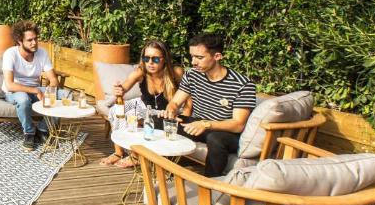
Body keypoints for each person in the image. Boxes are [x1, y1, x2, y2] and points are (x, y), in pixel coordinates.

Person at [164, 33, 257, 177]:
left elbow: (238, 124)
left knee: (215, 138)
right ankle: (159, 169)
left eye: (199, 57)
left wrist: (205, 124)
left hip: (226, 133)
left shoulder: (242, 84)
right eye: (192, 56)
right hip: (199, 125)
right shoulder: (192, 75)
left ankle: (209, 184)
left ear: (217, 56)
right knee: (160, 120)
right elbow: (176, 102)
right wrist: (171, 111)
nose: (193, 62)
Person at [100, 40, 187, 169]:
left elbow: (189, 97)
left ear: (165, 59)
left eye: (155, 59)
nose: (150, 63)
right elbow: (125, 86)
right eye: (147, 58)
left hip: (167, 111)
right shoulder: (141, 71)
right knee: (117, 111)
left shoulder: (176, 72)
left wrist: (185, 117)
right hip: (144, 105)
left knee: (135, 116)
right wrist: (119, 89)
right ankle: (119, 152)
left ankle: (135, 156)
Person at [2, 21, 61, 151]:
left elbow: (53, 80)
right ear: (19, 41)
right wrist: (35, 90)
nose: (34, 43)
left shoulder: (42, 53)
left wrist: (50, 92)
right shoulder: (10, 54)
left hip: (36, 91)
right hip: (15, 91)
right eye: (30, 40)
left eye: (35, 39)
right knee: (23, 99)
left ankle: (42, 129)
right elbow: (10, 85)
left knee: (64, 95)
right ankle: (29, 133)